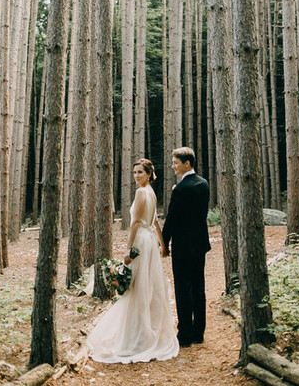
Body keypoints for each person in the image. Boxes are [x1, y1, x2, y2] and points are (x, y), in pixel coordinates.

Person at [87, 158, 179, 364]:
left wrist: (129, 249)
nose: (136, 176)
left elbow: (137, 222)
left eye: (140, 172)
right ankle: (145, 333)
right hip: (150, 243)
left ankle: (137, 337)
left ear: (149, 174)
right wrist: (162, 245)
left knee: (137, 287)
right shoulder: (152, 193)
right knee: (147, 285)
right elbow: (154, 222)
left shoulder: (141, 193)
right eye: (134, 172)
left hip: (141, 242)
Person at [162, 146, 211, 347]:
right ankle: (199, 332)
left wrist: (164, 243)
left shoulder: (181, 189)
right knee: (199, 287)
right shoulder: (204, 184)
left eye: (176, 163)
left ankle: (184, 335)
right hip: (199, 243)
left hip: (183, 245)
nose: (173, 166)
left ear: (187, 163)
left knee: (183, 288)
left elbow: (172, 219)